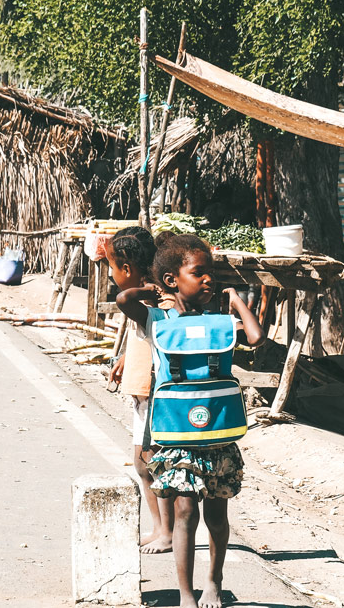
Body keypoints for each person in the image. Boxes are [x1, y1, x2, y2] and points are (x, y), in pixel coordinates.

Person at [116, 233, 264, 608]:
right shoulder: (157, 319)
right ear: (172, 279)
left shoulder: (220, 321)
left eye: (211, 273)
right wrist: (152, 289)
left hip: (217, 435)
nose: (209, 280)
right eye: (199, 273)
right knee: (184, 512)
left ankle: (213, 582)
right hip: (178, 438)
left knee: (217, 515)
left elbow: (256, 336)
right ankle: (186, 593)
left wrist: (234, 300)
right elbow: (123, 299)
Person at [106, 226, 176, 554]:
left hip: (153, 393)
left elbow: (131, 308)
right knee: (142, 464)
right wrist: (124, 358)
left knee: (151, 463)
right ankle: (159, 527)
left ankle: (166, 531)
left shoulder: (151, 302)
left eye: (111, 266)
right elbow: (142, 338)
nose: (109, 273)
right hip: (141, 390)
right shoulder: (146, 303)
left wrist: (148, 289)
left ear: (127, 270)